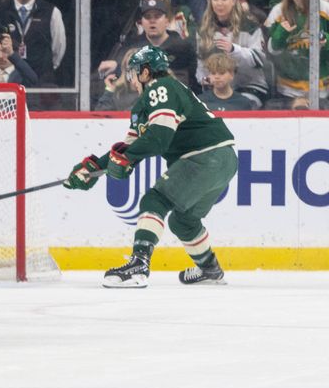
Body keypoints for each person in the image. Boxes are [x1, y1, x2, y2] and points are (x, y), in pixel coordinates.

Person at [64, 46, 237, 287]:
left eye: (134, 73)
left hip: (204, 156)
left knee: (154, 201)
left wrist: (128, 158)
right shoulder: (145, 105)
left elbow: (158, 138)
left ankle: (138, 264)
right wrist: (92, 168)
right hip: (224, 160)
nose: (132, 79)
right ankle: (210, 269)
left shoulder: (161, 87)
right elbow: (129, 146)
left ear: (145, 73)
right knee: (183, 221)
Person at [264, 0, 329, 109]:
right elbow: (271, 51)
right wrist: (280, 34)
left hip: (322, 89)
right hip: (287, 90)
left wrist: (325, 39)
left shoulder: (325, 9)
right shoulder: (278, 11)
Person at [196, 0, 268, 108]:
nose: (219, 3)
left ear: (234, 1)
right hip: (217, 87)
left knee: (236, 106)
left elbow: (259, 59)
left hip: (249, 86)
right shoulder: (204, 29)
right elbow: (200, 63)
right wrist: (204, 79)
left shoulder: (250, 26)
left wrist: (234, 50)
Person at [131, 0, 198, 90]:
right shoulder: (134, 48)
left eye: (157, 16)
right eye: (147, 16)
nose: (152, 20)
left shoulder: (183, 47)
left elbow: (193, 81)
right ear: (142, 22)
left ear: (167, 21)